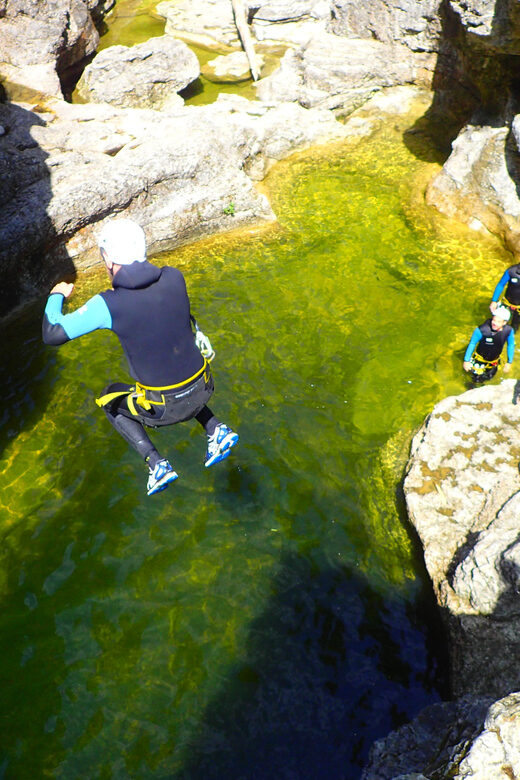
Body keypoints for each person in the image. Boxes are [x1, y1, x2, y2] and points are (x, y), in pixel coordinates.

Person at [42, 218, 238, 496]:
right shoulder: (174, 276)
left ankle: (156, 464)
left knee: (109, 397)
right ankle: (215, 428)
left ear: (108, 259)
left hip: (163, 408)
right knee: (172, 361)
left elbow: (52, 334)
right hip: (205, 386)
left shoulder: (107, 304)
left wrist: (55, 296)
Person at [463, 305, 515, 383]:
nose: (495, 323)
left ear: (504, 322)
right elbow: (472, 343)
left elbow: (511, 345)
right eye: (494, 320)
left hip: (494, 361)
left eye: (498, 321)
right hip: (479, 360)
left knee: (489, 377)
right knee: (475, 379)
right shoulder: (482, 330)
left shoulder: (509, 331)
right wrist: (466, 361)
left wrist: (509, 362)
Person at [490, 262, 520, 330]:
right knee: (498, 323)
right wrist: (494, 301)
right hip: (507, 303)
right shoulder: (511, 271)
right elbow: (501, 285)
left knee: (515, 325)